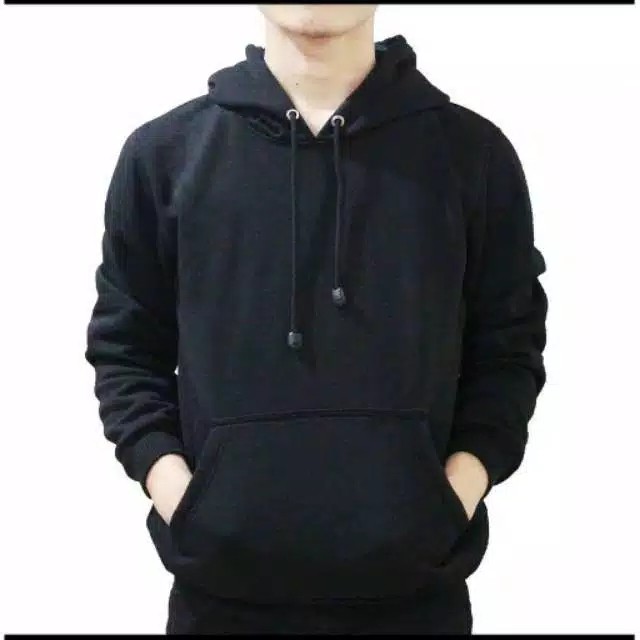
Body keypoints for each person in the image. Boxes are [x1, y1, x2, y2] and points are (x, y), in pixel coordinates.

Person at [85, 4, 548, 634]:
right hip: (220, 602)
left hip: (416, 600)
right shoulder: (163, 157)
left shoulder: (472, 155)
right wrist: (186, 501)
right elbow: (126, 350)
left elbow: (509, 350)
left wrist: (449, 499)